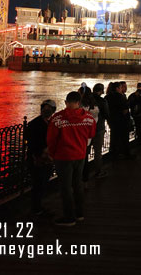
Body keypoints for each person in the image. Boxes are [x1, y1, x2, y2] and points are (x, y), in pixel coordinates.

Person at [46, 91, 96, 226]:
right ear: (79, 103)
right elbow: (92, 133)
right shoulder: (88, 118)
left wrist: (52, 154)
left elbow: (51, 139)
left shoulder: (57, 119)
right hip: (80, 155)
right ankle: (79, 213)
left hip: (63, 156)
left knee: (65, 187)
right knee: (77, 184)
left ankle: (69, 217)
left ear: (66, 102)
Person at [25, 99, 57, 215]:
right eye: (44, 108)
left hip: (48, 158)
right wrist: (42, 152)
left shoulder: (52, 122)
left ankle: (38, 206)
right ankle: (36, 208)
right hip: (37, 158)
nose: (46, 110)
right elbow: (31, 143)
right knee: (38, 183)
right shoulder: (34, 124)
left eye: (48, 109)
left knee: (42, 183)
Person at [106, 82, 131, 159]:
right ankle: (125, 153)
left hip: (112, 121)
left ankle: (114, 153)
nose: (122, 89)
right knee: (124, 138)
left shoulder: (107, 97)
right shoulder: (120, 97)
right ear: (117, 88)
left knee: (114, 137)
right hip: (122, 121)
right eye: (121, 88)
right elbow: (125, 110)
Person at [88, 83, 109, 179]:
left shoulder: (86, 99)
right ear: (101, 91)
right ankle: (98, 171)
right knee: (97, 152)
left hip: (86, 129)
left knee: (85, 151)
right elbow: (106, 114)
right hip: (98, 128)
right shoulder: (102, 101)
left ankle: (83, 172)